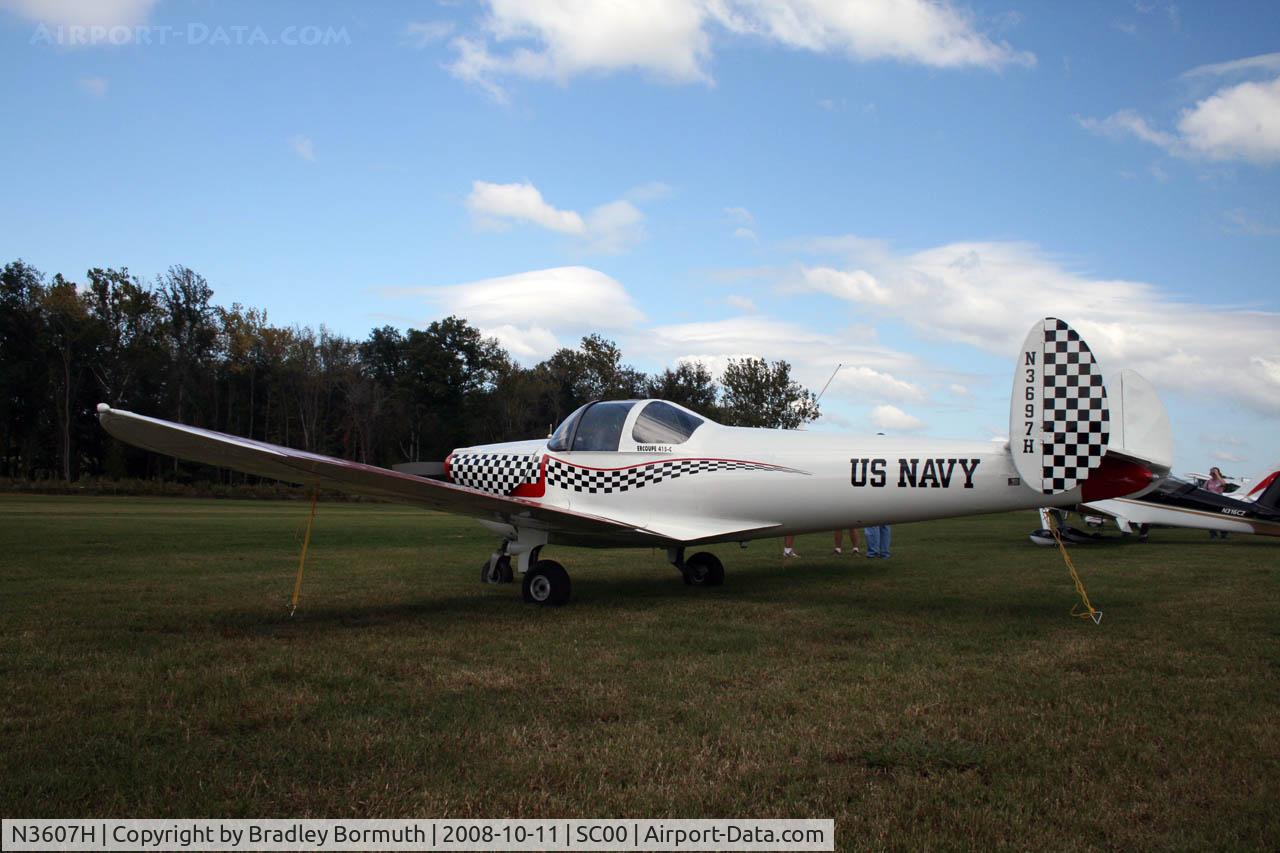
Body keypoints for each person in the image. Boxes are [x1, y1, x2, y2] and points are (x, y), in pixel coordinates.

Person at [1205, 467, 1230, 539]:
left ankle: (1224, 534)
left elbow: (1224, 484)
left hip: (1220, 502)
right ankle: (1213, 535)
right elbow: (1204, 490)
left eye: (1213, 473)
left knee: (1222, 519)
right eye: (1211, 472)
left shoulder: (1220, 481)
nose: (1212, 474)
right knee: (1211, 519)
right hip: (1210, 502)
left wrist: (1216, 473)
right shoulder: (1208, 481)